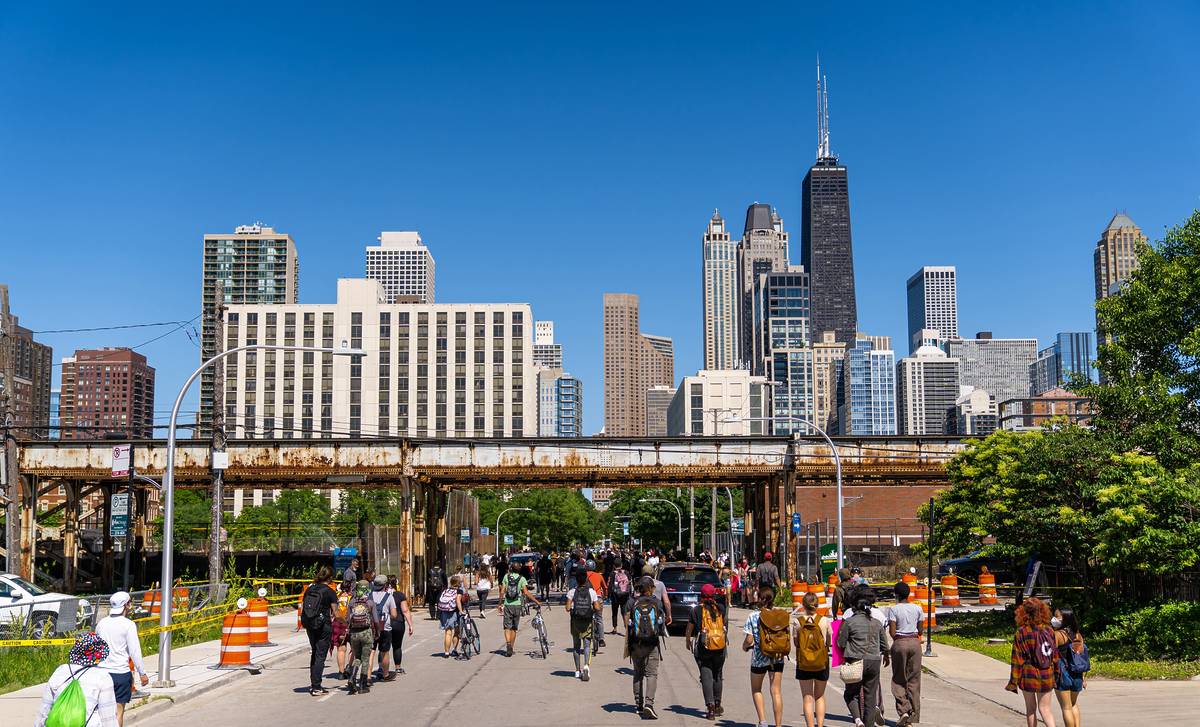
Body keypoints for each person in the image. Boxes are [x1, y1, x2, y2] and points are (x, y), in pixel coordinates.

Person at [36, 632, 119, 727]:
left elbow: (45, 707)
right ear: (99, 653)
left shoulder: (61, 671)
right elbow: (108, 717)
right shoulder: (102, 677)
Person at [837, 587, 889, 727]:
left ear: (854, 608)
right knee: (870, 697)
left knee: (850, 694)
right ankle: (869, 724)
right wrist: (886, 656)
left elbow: (840, 643)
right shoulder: (876, 623)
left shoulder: (849, 622)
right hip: (873, 662)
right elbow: (884, 645)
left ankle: (858, 720)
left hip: (855, 661)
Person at [95, 591, 148, 723]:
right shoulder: (128, 625)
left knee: (102, 713)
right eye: (130, 603)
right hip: (120, 673)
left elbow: (96, 647)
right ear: (126, 605)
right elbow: (134, 651)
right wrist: (142, 673)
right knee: (118, 713)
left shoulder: (101, 623)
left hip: (102, 673)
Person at [1006, 598, 1059, 727]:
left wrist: (1013, 681)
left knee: (1031, 709)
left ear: (1023, 613)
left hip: (1028, 675)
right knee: (1046, 709)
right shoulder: (1050, 630)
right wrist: (1057, 674)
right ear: (1042, 611)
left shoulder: (1021, 632)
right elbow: (1055, 655)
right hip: (1047, 673)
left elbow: (1017, 660)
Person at [743, 585, 789, 727]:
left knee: (756, 689)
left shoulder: (753, 616)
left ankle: (763, 722)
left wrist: (744, 647)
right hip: (777, 655)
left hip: (759, 657)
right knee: (776, 691)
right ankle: (778, 724)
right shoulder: (780, 615)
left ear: (760, 598)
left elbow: (749, 640)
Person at [685, 583, 727, 720]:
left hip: (704, 647)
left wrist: (688, 641)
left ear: (701, 596)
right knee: (717, 675)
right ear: (714, 595)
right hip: (720, 647)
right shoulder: (721, 609)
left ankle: (710, 709)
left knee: (706, 676)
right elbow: (724, 625)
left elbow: (690, 628)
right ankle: (717, 704)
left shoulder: (696, 610)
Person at [626, 575, 666, 719]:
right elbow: (661, 623)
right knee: (651, 674)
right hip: (652, 643)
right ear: (650, 589)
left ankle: (639, 705)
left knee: (638, 673)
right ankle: (649, 704)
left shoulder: (632, 602)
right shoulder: (657, 603)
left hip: (636, 643)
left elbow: (627, 623)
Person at [887, 582, 924, 726]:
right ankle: (912, 717)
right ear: (908, 594)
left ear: (896, 595)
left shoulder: (894, 609)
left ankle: (904, 710)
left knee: (899, 679)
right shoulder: (917, 608)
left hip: (900, 643)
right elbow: (920, 630)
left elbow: (892, 632)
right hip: (915, 643)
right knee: (914, 681)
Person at [794, 591, 832, 727]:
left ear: (803, 605)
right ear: (817, 605)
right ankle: (820, 725)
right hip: (821, 661)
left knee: (807, 697)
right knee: (820, 696)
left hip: (803, 662)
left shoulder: (798, 622)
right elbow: (829, 642)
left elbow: (796, 643)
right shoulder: (824, 621)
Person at [565, 566, 602, 681]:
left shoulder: (572, 592)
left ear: (576, 579)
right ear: (586, 579)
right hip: (587, 621)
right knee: (586, 645)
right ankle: (586, 665)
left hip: (576, 621)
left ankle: (577, 670)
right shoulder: (591, 592)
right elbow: (596, 607)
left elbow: (567, 608)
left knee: (576, 646)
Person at [498, 562, 542, 657]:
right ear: (519, 570)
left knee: (507, 627)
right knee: (514, 627)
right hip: (517, 605)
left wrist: (500, 603)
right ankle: (511, 647)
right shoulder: (522, 579)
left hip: (508, 604)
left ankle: (508, 644)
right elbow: (526, 593)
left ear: (511, 568)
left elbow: (502, 591)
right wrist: (536, 601)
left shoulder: (506, 577)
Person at [1053, 607, 1087, 727]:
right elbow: (1082, 657)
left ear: (1064, 619)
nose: (1054, 619)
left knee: (1066, 708)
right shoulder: (1078, 635)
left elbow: (1052, 655)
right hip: (1077, 673)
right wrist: (1083, 677)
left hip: (1062, 673)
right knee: (1073, 704)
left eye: (1056, 617)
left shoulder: (1057, 635)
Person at [344, 580, 378, 694]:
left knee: (357, 657)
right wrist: (377, 632)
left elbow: (347, 620)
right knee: (365, 659)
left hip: (354, 634)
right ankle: (363, 685)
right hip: (366, 633)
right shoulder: (370, 602)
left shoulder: (352, 602)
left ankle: (352, 677)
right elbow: (376, 621)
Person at [368, 574, 398, 682]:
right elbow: (394, 614)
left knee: (371, 651)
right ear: (385, 585)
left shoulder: (369, 596)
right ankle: (385, 675)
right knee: (384, 652)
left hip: (371, 628)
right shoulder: (389, 596)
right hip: (385, 628)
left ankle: (367, 677)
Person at [384, 576, 414, 676]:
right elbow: (405, 610)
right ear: (396, 583)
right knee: (397, 646)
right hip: (398, 623)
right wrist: (410, 625)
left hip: (384, 622)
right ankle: (398, 668)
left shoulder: (382, 594)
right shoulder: (400, 595)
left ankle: (381, 669)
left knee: (384, 648)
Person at [437, 575, 467, 658]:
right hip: (454, 612)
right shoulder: (459, 591)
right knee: (456, 632)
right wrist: (461, 611)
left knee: (448, 632)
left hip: (445, 612)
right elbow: (458, 601)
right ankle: (454, 650)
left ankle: (446, 652)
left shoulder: (446, 590)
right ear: (459, 583)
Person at [585, 561, 609, 651]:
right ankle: (601, 639)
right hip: (598, 599)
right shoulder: (599, 575)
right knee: (599, 618)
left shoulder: (583, 575)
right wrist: (605, 596)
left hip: (586, 599)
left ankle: (585, 636)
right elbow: (605, 587)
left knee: (586, 617)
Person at [332, 579, 354, 678]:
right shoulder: (352, 597)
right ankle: (349, 668)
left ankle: (341, 673)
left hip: (337, 623)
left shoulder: (337, 597)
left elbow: (332, 612)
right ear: (350, 588)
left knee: (341, 649)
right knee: (354, 648)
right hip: (349, 623)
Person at [608, 562, 632, 634]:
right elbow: (630, 583)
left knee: (614, 612)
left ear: (614, 566)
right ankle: (626, 628)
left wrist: (609, 595)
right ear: (621, 565)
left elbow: (610, 585)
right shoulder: (626, 572)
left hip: (615, 596)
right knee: (624, 612)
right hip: (625, 595)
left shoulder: (612, 574)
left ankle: (615, 628)